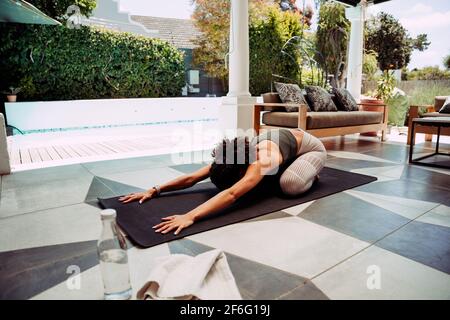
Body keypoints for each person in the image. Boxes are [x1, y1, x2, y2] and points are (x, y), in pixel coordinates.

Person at [119, 128, 327, 235]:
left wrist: (190, 216)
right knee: (262, 182)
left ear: (244, 170)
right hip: (283, 150)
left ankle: (312, 175)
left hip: (311, 149)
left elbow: (233, 194)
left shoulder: (262, 160)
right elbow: (192, 178)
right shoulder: (231, 157)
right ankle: (289, 166)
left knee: (289, 185)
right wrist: (155, 189)